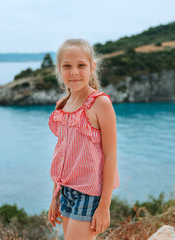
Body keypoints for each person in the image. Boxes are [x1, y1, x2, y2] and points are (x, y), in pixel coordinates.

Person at [47, 39, 120, 240]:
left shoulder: (100, 103)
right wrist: (55, 197)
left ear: (92, 67)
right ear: (59, 70)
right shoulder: (62, 105)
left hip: (90, 193)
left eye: (81, 65)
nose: (74, 72)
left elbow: (110, 155)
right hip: (67, 191)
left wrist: (104, 206)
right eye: (67, 66)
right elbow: (62, 156)